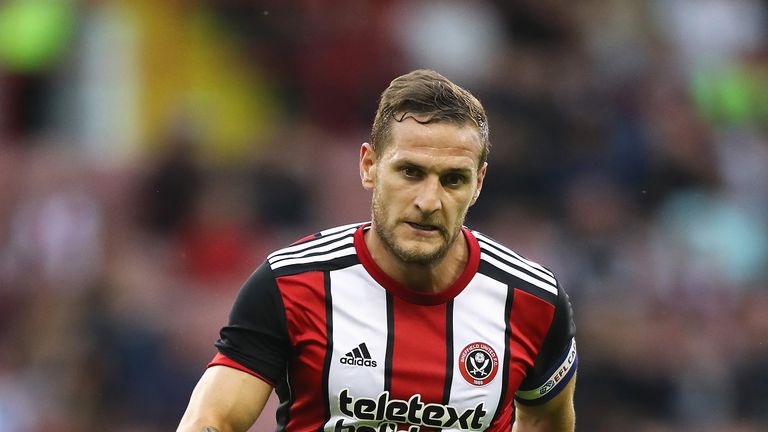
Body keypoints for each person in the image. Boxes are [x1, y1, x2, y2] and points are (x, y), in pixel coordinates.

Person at [177, 69, 577, 432]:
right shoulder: (291, 284)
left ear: (478, 184)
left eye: (453, 179)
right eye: (410, 172)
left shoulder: (533, 300)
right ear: (369, 166)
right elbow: (213, 419)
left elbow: (547, 419)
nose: (429, 201)